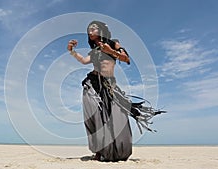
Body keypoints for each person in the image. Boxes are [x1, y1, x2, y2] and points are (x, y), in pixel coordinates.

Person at [67, 21, 163, 162]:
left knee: (117, 118)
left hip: (109, 85)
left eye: (93, 28)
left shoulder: (114, 43)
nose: (90, 30)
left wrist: (110, 51)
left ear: (101, 30)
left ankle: (117, 151)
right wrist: (71, 51)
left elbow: (126, 59)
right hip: (93, 84)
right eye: (89, 29)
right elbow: (83, 61)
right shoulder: (94, 51)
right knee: (95, 117)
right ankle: (99, 151)